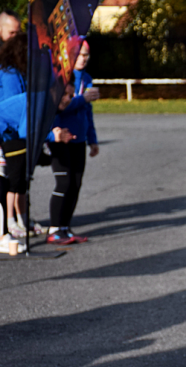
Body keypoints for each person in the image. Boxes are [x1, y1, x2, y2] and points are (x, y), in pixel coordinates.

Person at [0, 87, 76, 251]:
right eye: (66, 94)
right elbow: (25, 131)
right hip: (5, 136)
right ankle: (4, 235)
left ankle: (9, 230)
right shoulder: (39, 102)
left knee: (10, 183)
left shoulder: (46, 102)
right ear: (54, 91)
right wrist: (52, 136)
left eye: (72, 95)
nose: (69, 98)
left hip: (6, 136)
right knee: (4, 186)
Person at [47, 41, 100, 245]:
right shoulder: (60, 79)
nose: (83, 59)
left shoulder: (86, 78)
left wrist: (92, 139)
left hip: (80, 138)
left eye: (86, 55)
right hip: (62, 137)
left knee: (76, 183)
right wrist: (82, 99)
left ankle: (65, 227)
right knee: (64, 182)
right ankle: (54, 228)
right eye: (79, 55)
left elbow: (88, 112)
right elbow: (59, 108)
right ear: (69, 56)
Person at [0, 31, 30, 238]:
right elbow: (14, 109)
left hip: (12, 134)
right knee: (9, 181)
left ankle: (19, 220)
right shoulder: (10, 74)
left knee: (18, 180)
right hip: (8, 136)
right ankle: (7, 226)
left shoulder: (17, 72)